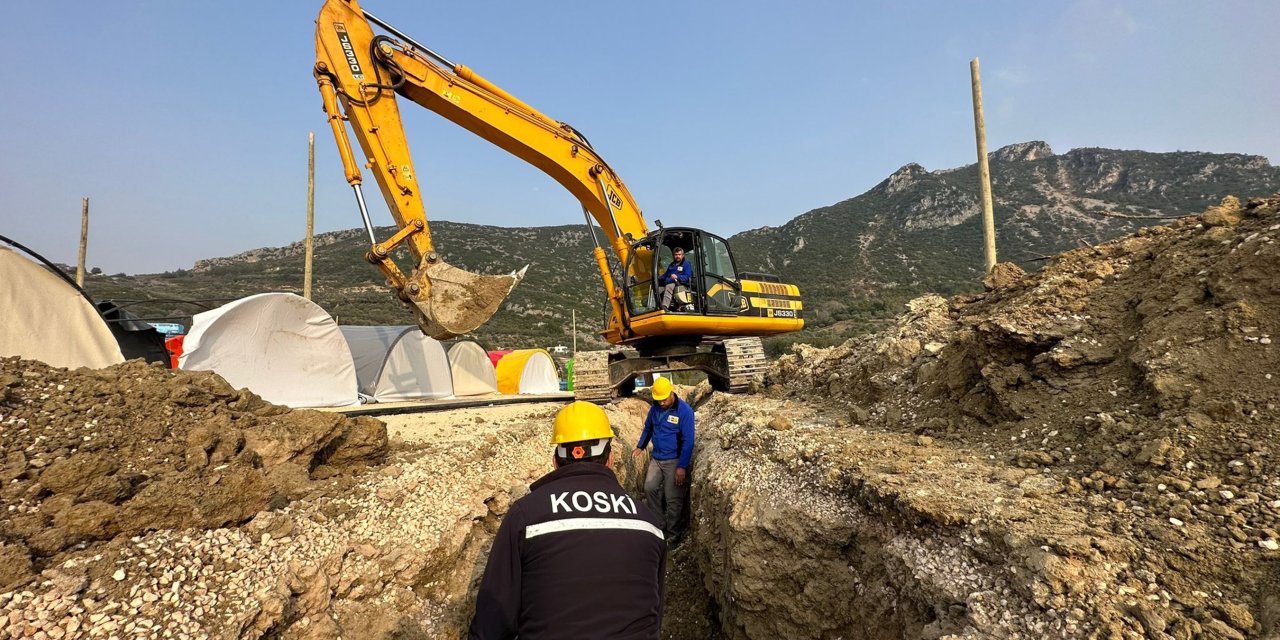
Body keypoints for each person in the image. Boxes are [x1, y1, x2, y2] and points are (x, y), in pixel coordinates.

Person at [469, 401, 667, 640]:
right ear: (611, 459)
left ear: (555, 461)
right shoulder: (649, 524)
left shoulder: (526, 516)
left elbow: (494, 618)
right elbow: (654, 613)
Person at [632, 377, 694, 544]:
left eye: (664, 399)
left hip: (674, 460)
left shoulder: (685, 412)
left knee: (673, 498)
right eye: (657, 400)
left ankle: (673, 534)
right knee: (649, 488)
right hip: (657, 458)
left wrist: (682, 467)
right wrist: (640, 446)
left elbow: (688, 441)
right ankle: (659, 525)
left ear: (671, 393)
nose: (661, 403)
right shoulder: (655, 408)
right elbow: (648, 428)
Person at [659, 246, 693, 310]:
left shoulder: (686, 264)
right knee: (658, 289)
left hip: (680, 284)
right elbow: (665, 275)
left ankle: (664, 306)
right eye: (676, 255)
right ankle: (657, 306)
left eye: (679, 254)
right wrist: (657, 278)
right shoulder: (672, 265)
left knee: (669, 286)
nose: (677, 256)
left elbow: (688, 276)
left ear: (683, 255)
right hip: (669, 282)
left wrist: (678, 277)